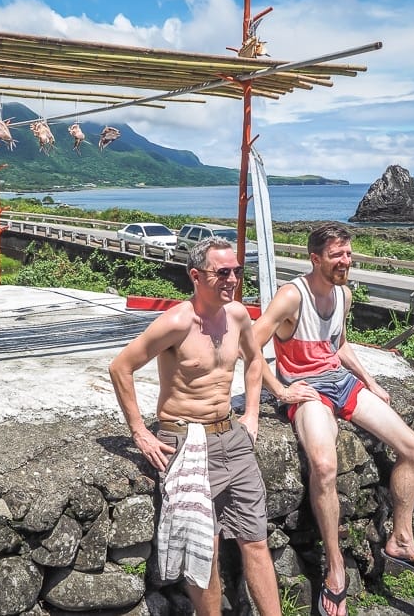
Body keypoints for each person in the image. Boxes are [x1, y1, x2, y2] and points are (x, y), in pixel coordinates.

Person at [252, 223, 414, 616]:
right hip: (308, 390)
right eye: (337, 255)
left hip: (342, 383)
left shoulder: (344, 294)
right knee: (324, 466)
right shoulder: (292, 296)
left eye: (349, 253)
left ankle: (401, 540)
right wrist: (281, 390)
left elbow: (338, 345)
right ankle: (335, 569)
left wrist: (370, 382)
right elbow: (249, 345)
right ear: (316, 258)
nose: (346, 260)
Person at [109, 237, 281, 616]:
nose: (232, 279)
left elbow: (255, 361)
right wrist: (140, 432)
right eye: (222, 272)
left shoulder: (237, 315)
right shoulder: (177, 322)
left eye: (237, 271)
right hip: (186, 439)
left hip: (232, 435)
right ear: (196, 276)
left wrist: (251, 413)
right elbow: (121, 367)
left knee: (256, 539)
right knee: (207, 548)